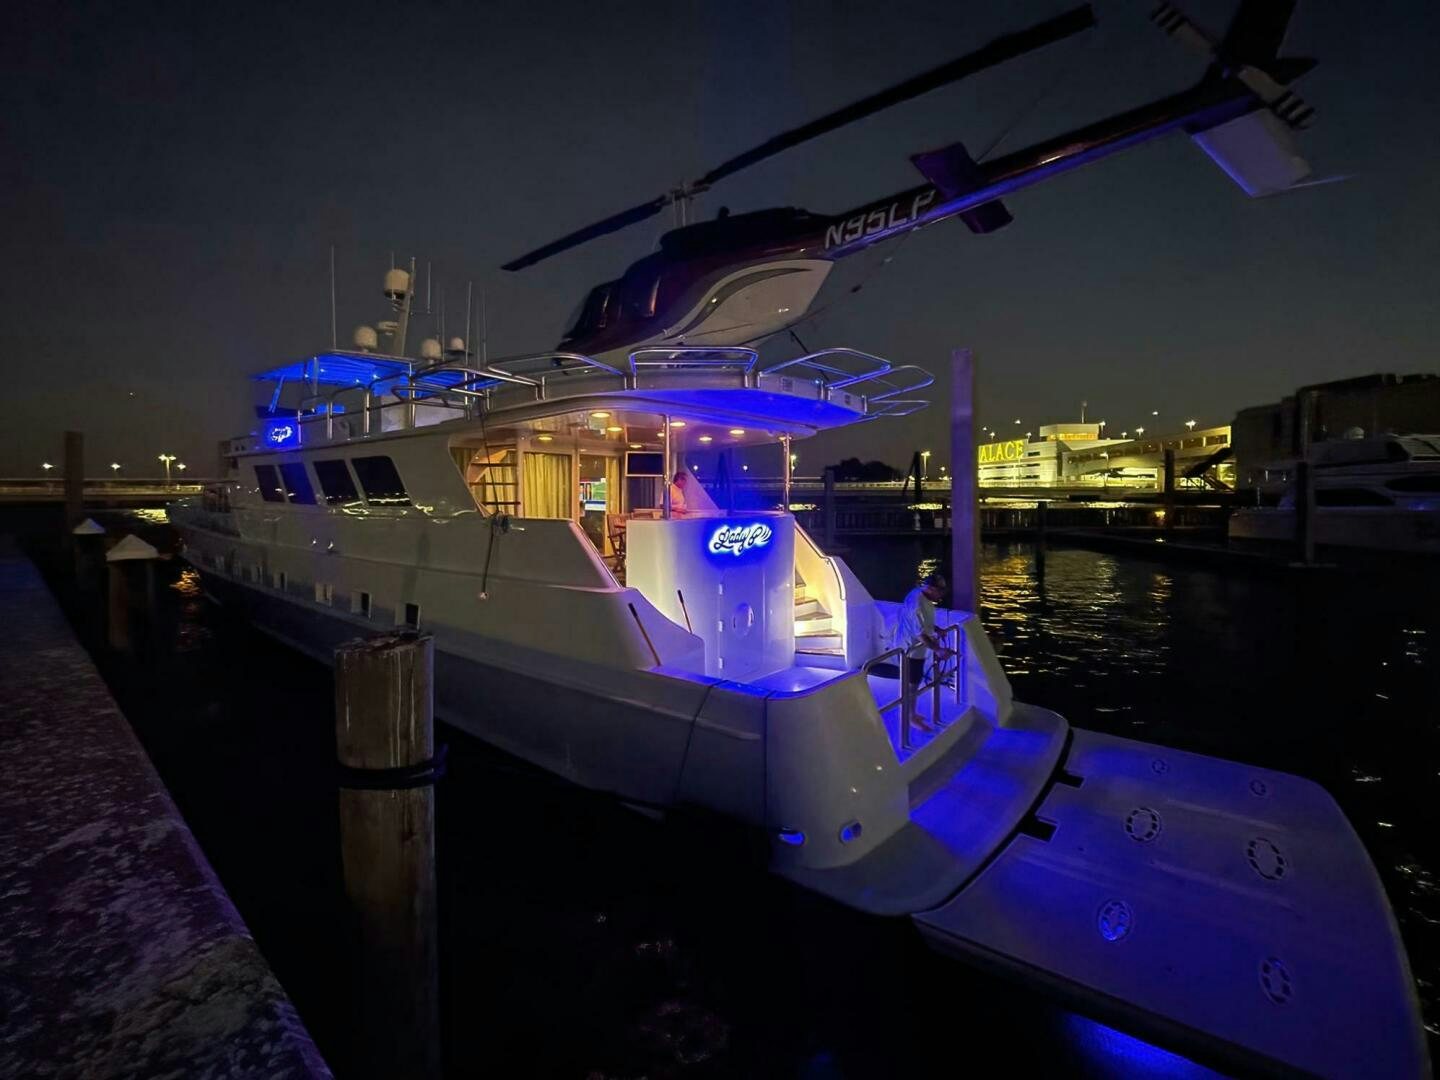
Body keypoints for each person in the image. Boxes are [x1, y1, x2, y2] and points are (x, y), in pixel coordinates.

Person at [896, 573, 954, 720]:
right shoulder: (917, 603)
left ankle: (911, 714)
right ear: (930, 588)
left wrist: (936, 629)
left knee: (914, 682)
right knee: (911, 684)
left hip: (917, 649)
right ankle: (909, 717)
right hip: (909, 650)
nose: (940, 595)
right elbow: (920, 633)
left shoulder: (921, 595)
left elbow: (923, 623)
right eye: (939, 591)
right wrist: (938, 650)